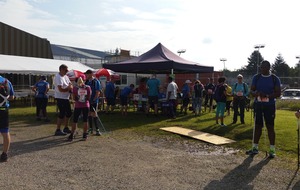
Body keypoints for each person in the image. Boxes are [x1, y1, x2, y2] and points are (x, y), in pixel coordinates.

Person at [246, 60, 281, 158]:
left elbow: (278, 93)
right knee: (257, 126)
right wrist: (256, 93)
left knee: (270, 127)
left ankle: (272, 150)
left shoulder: (274, 79)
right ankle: (255, 148)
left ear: (269, 68)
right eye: (261, 67)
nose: (262, 69)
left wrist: (267, 96)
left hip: (269, 105)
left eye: (264, 67)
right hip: (258, 104)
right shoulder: (256, 77)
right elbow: (251, 91)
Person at [68, 77, 91, 141]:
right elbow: (89, 97)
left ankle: (72, 135)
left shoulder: (75, 88)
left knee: (75, 120)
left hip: (78, 105)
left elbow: (74, 98)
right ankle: (84, 134)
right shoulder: (88, 87)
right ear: (84, 80)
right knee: (85, 120)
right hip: (86, 105)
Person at [54, 64, 73, 136]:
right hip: (60, 97)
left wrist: (70, 87)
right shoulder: (58, 77)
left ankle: (66, 127)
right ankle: (58, 129)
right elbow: (60, 89)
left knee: (69, 113)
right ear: (61, 69)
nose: (67, 71)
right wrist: (68, 88)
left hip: (66, 97)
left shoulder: (66, 76)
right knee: (62, 113)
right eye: (66, 70)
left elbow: (70, 84)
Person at [0, 75, 14, 162]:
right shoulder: (7, 81)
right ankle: (4, 154)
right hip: (4, 110)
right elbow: (12, 97)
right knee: (5, 132)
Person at [84, 69, 102, 136]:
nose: (86, 75)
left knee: (94, 114)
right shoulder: (87, 81)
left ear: (91, 74)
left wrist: (94, 100)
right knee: (89, 114)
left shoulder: (96, 81)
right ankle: (90, 128)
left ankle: (97, 129)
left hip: (94, 101)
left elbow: (98, 92)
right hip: (87, 101)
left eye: (87, 74)